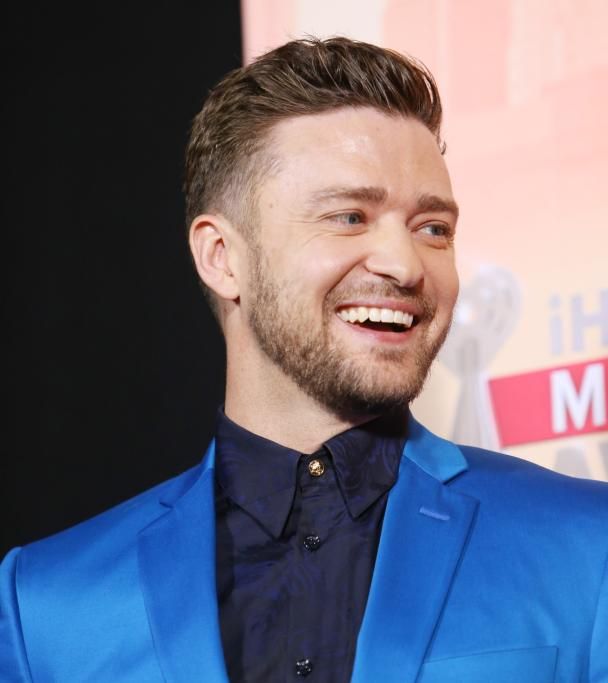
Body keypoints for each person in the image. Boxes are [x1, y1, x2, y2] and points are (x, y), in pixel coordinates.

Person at [1, 36, 607, 683]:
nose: (405, 265)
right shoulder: (45, 606)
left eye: (433, 228)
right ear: (222, 258)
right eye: (349, 216)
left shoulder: (587, 547)